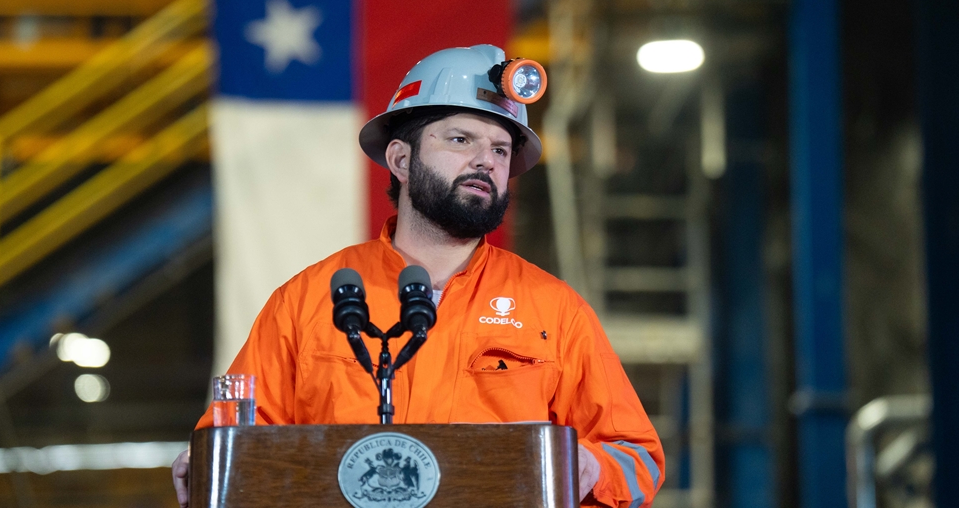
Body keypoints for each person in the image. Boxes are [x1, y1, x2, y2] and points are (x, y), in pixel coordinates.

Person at [172, 45, 664, 507]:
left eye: (499, 150)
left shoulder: (555, 311)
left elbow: (638, 456)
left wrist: (591, 466)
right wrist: (205, 460)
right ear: (401, 160)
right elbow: (234, 439)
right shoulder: (306, 302)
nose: (484, 161)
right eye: (460, 139)